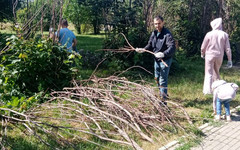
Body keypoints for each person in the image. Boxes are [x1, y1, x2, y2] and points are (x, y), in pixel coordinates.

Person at [135, 15, 176, 103]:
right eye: (155, 24)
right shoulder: (154, 33)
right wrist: (143, 49)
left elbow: (172, 47)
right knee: (156, 78)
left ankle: (163, 101)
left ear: (163, 23)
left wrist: (163, 54)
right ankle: (163, 93)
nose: (157, 25)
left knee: (163, 80)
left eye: (159, 23)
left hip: (165, 60)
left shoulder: (167, 34)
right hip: (156, 60)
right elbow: (150, 44)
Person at [201, 18, 232, 95]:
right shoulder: (224, 34)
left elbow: (203, 46)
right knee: (216, 72)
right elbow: (227, 48)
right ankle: (217, 89)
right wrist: (229, 59)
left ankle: (207, 91)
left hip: (209, 55)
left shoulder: (209, 34)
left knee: (208, 73)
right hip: (219, 56)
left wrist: (202, 53)